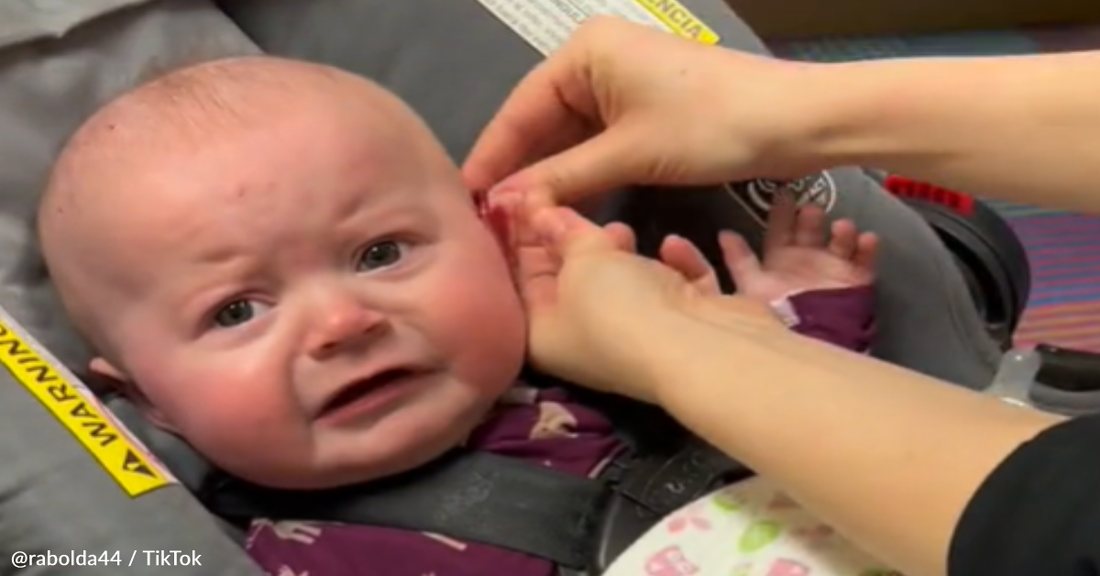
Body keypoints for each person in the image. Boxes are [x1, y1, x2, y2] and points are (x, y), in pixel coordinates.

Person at [36, 54, 885, 576]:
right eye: (235, 311)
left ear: (491, 231)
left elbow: (805, 412)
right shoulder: (255, 553)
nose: (341, 324)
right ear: (147, 402)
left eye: (380, 254)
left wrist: (798, 307)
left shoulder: (620, 349)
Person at [463, 15, 1100, 576]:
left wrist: (788, 311)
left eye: (386, 254)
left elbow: (790, 430)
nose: (358, 318)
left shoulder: (559, 390)